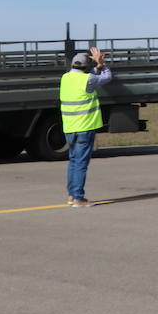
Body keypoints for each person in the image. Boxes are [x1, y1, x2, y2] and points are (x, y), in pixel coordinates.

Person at [59, 45, 111, 207]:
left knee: (73, 161)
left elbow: (89, 78)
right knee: (81, 163)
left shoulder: (65, 78)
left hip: (69, 127)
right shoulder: (88, 79)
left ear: (72, 65)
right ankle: (79, 198)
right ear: (86, 67)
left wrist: (97, 66)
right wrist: (102, 63)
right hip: (85, 127)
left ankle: (71, 195)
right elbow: (107, 77)